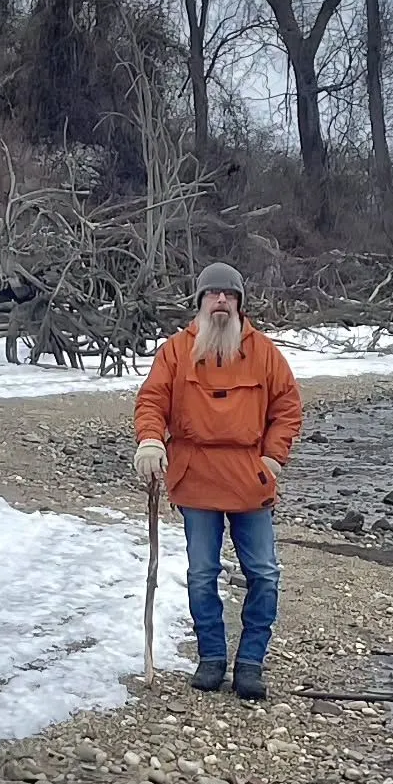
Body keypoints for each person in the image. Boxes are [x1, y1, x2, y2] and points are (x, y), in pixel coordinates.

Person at [133, 262, 303, 700]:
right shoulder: (175, 350)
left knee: (264, 573)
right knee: (202, 573)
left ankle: (250, 663)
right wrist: (151, 441)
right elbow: (152, 399)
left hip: (251, 477)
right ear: (201, 302)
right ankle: (211, 657)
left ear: (241, 303)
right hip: (196, 476)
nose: (221, 300)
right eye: (213, 294)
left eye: (229, 294)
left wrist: (273, 459)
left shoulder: (265, 352)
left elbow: (287, 408)